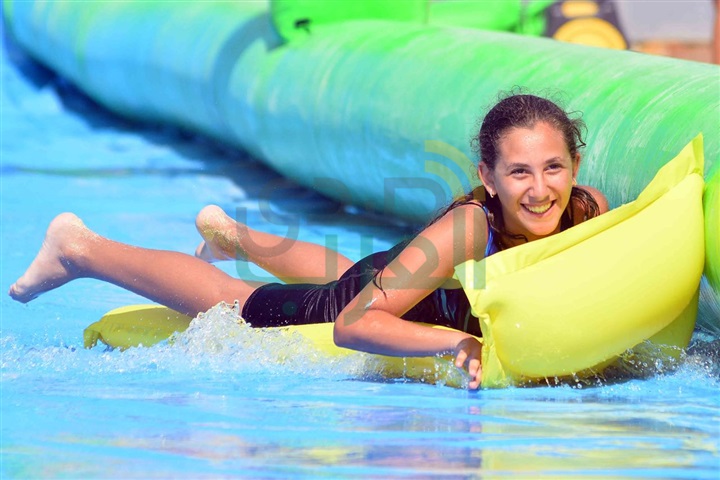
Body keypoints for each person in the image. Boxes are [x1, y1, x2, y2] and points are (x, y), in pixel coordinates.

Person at [9, 93, 609, 389]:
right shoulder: (469, 227)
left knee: (349, 268)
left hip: (397, 275)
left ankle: (232, 233)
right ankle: (78, 247)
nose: (539, 189)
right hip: (362, 301)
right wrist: (454, 342)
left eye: (553, 168)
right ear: (488, 177)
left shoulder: (590, 210)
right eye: (519, 173)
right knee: (238, 302)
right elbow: (352, 325)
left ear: (576, 165)